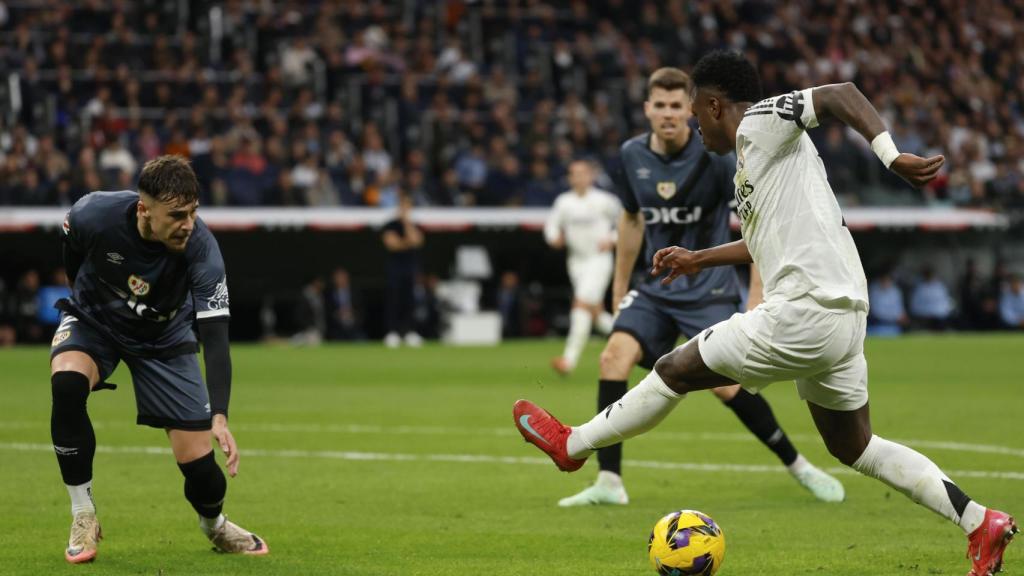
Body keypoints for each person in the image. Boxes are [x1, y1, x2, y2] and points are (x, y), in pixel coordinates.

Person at [514, 51, 1016, 575]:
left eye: (692, 111)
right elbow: (761, 243)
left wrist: (891, 157)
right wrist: (698, 258)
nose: (691, 123)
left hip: (805, 308)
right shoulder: (754, 166)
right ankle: (981, 522)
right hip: (842, 316)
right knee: (856, 446)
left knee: (673, 370)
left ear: (713, 106)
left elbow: (842, 93)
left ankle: (572, 445)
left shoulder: (760, 120)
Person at [556, 67, 843, 508]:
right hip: (655, 288)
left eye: (677, 106)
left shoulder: (718, 157)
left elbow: (756, 226)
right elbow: (631, 221)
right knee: (612, 357)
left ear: (688, 110)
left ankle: (797, 464)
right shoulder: (631, 155)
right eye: (660, 105)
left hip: (708, 288)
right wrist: (618, 288)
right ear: (648, 109)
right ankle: (609, 481)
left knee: (725, 386)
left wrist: (755, 294)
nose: (668, 114)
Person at [51, 155, 268, 564]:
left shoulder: (204, 251)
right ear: (143, 210)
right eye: (177, 215)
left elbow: (216, 337)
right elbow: (72, 251)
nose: (188, 223)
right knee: (66, 383)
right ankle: (82, 514)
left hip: (164, 338)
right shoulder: (93, 214)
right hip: (95, 321)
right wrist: (83, 297)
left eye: (194, 212)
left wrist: (219, 415)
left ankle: (215, 525)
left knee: (202, 471)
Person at [544, 159, 621, 375]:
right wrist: (553, 238)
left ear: (591, 176)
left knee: (580, 305)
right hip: (576, 262)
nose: (578, 177)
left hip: (599, 260)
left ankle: (568, 361)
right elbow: (551, 226)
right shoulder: (563, 202)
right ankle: (639, 342)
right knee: (595, 315)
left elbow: (627, 222)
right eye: (574, 174)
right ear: (569, 178)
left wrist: (613, 238)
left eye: (582, 173)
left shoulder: (605, 200)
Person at [382, 193, 424, 347]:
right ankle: (392, 332)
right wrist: (407, 243)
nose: (404, 209)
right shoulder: (390, 225)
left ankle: (409, 332)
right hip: (395, 269)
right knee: (394, 300)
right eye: (402, 206)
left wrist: (407, 224)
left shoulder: (413, 225)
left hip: (410, 269)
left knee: (410, 301)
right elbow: (392, 244)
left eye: (407, 207)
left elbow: (417, 241)